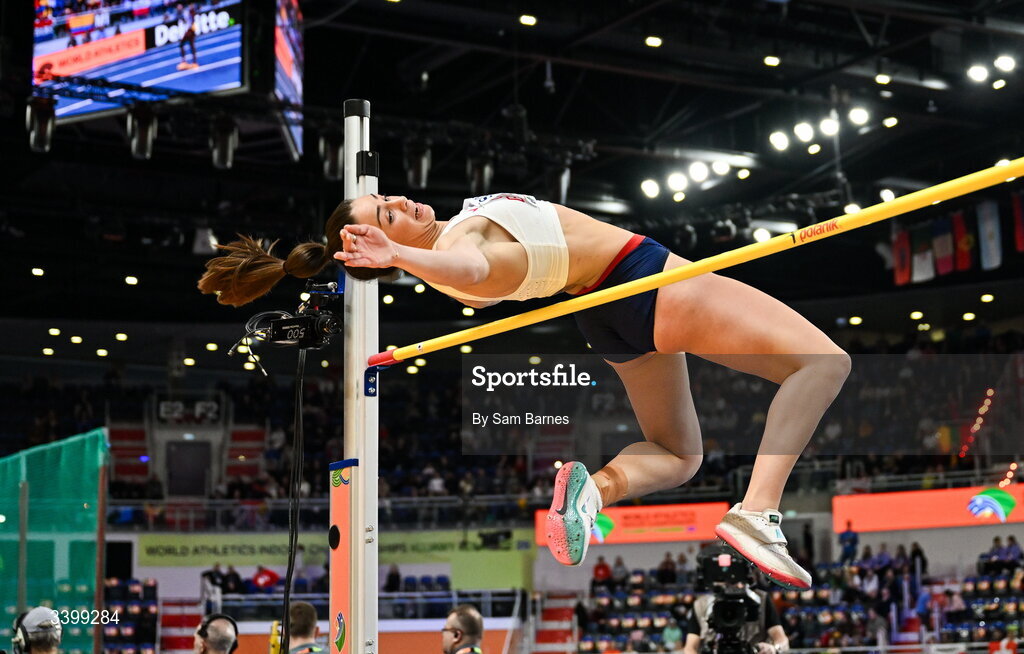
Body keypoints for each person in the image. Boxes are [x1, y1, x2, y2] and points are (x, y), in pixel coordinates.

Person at [198, 192, 852, 590]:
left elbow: (461, 257)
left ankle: (596, 489)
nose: (404, 208)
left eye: (390, 202)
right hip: (641, 279)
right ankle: (758, 510)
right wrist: (401, 257)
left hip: (605, 310)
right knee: (822, 363)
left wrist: (398, 248)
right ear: (380, 248)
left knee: (678, 454)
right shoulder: (457, 252)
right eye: (389, 219)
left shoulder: (452, 234)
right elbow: (473, 264)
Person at [682, 547, 789, 654]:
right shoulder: (701, 605)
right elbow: (690, 648)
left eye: (733, 580)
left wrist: (774, 648)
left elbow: (782, 640)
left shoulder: (760, 600)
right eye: (722, 580)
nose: (728, 585)